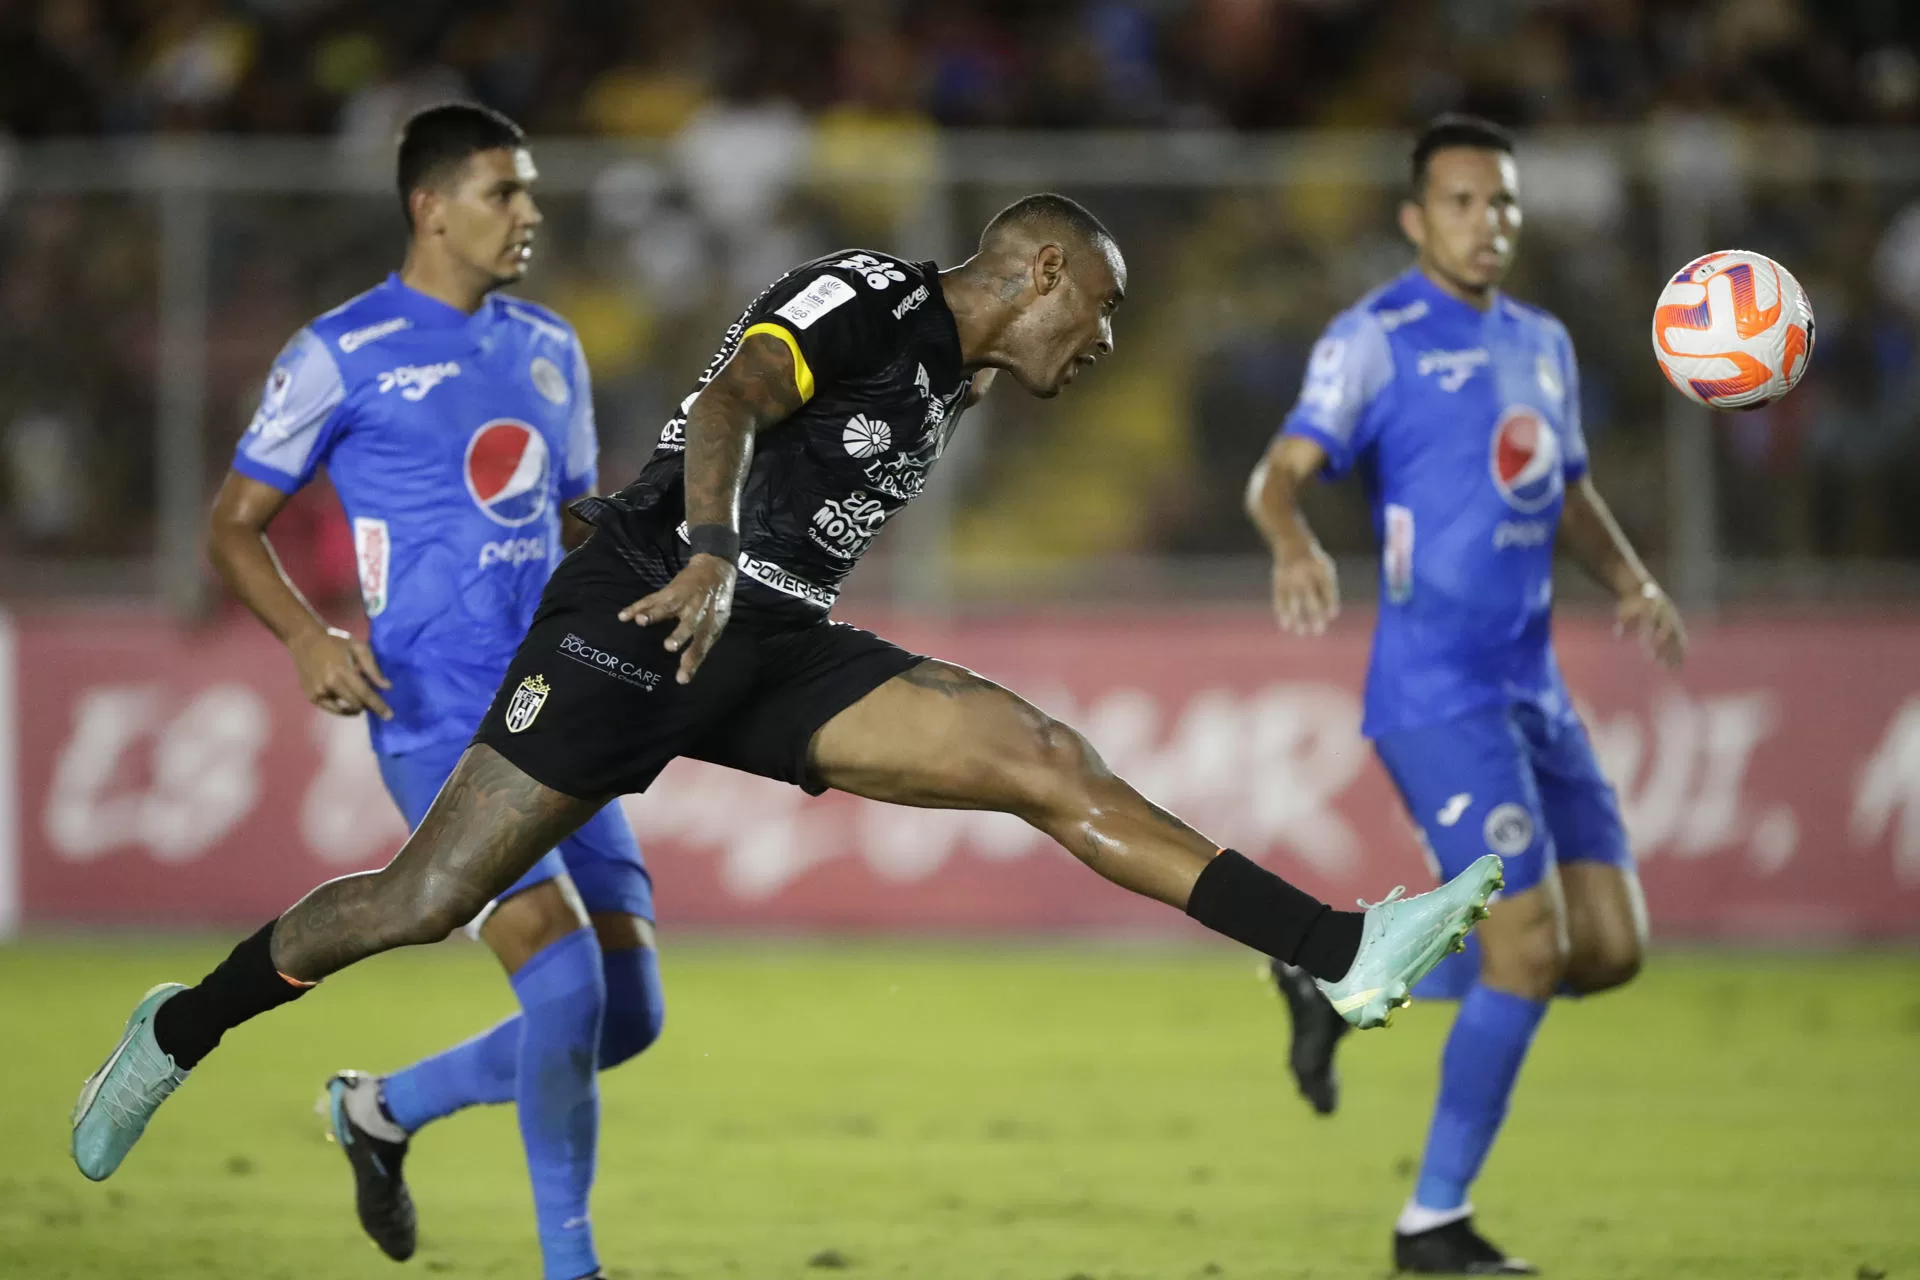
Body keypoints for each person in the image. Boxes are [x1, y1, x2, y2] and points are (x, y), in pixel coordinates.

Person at [73, 194, 1506, 1239]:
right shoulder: (872, 299)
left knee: (1041, 760)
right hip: (645, 615)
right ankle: (183, 1028)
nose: (1108, 341)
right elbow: (732, 404)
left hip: (767, 644)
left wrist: (728, 573)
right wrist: (695, 546)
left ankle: (1334, 951)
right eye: (1104, 309)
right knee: (421, 902)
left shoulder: (960, 376)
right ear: (1045, 268)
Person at [201, 104, 662, 1280]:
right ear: (431, 206)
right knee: (563, 986)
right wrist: (307, 638)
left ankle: (382, 1108)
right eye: (507, 192)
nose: (531, 214)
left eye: (531, 191)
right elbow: (233, 524)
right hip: (438, 714)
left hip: (565, 701)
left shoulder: (551, 345)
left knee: (630, 1010)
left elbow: (570, 521)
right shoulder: (339, 352)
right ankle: (573, 1265)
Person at [1245, 116, 1685, 1275]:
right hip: (1435, 690)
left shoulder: (1545, 343)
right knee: (1529, 951)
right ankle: (1431, 1222)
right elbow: (1277, 476)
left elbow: (1567, 490)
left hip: (1533, 686)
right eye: (1461, 203)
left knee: (1611, 944)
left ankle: (1333, 973)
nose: (1487, 224)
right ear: (1415, 216)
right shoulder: (1374, 338)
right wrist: (1293, 540)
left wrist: (1631, 577)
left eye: (1503, 204)